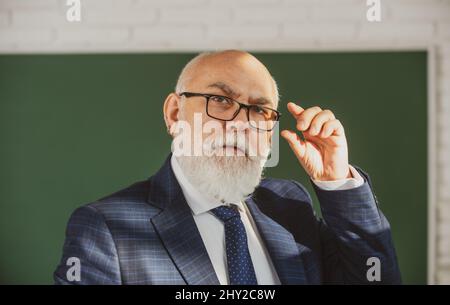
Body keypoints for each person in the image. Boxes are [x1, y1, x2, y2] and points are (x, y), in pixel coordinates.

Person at [54, 50, 401, 285]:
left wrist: (336, 182)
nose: (242, 124)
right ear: (175, 113)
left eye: (260, 110)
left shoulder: (289, 207)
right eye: (220, 100)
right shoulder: (105, 228)